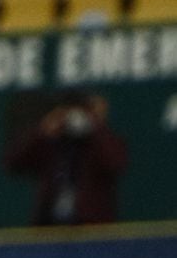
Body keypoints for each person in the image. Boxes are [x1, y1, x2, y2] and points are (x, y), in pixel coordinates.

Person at [7, 92, 128, 226]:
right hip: (50, 224)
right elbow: (13, 162)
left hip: (91, 226)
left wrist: (95, 125)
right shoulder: (51, 141)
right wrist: (42, 131)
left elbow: (116, 162)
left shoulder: (99, 140)